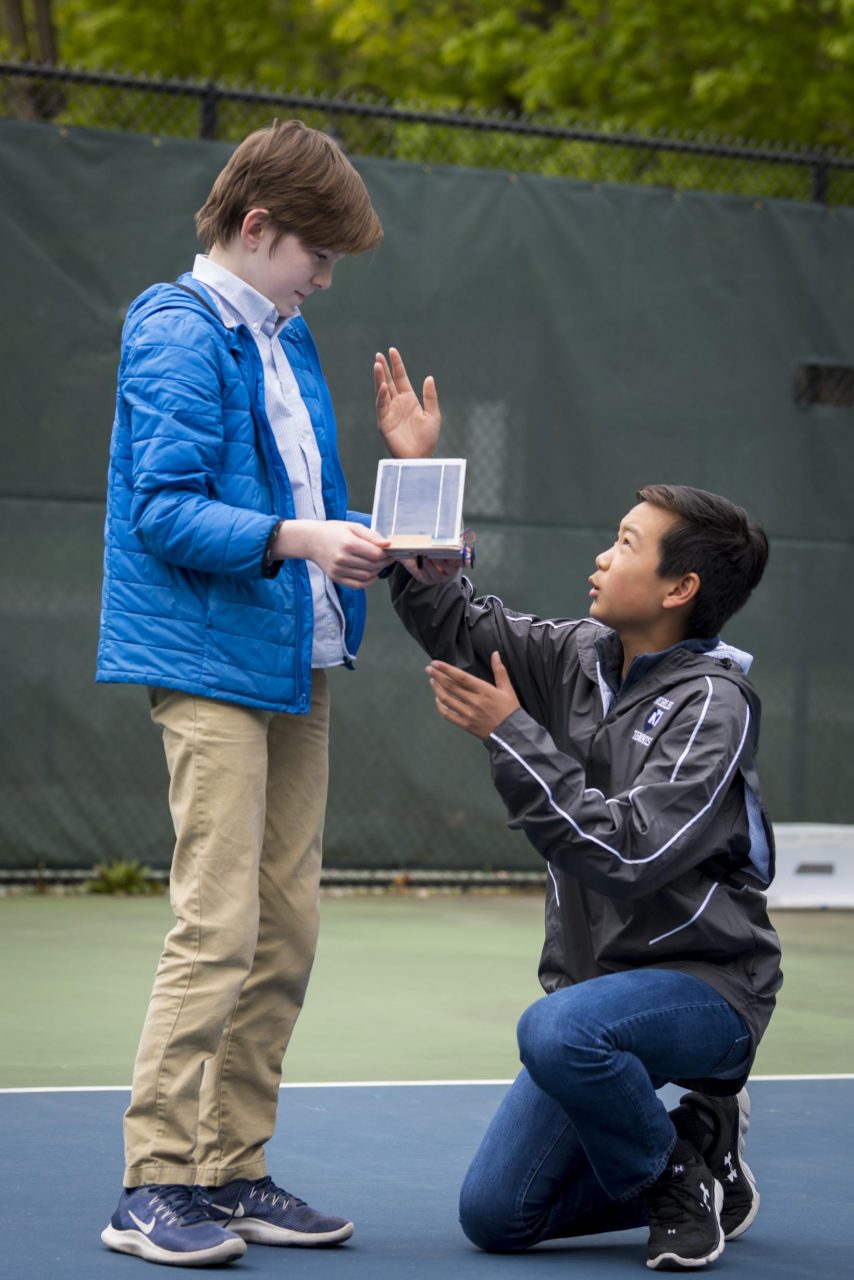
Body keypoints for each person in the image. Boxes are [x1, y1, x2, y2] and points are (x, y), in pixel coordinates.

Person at [96, 119, 440, 1267]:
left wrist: (404, 488)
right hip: (204, 663)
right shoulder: (174, 327)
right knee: (218, 920)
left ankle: (230, 1167)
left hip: (298, 664)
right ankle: (151, 1179)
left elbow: (319, 514)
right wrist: (299, 538)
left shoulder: (286, 337)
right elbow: (164, 510)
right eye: (316, 256)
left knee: (286, 923)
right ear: (255, 228)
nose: (324, 279)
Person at [389, 484, 782, 1271]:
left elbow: (629, 854)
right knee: (497, 1216)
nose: (603, 557)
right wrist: (418, 474)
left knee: (557, 1032)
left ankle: (671, 1179)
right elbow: (455, 620)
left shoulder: (715, 703)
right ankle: (702, 1149)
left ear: (680, 590)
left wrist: (511, 733)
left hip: (707, 987)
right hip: (592, 996)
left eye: (628, 544)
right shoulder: (576, 654)